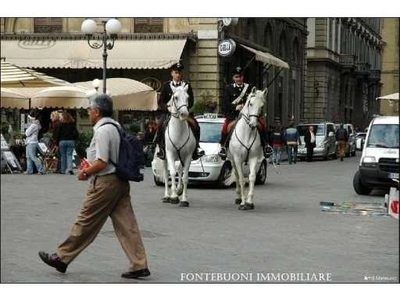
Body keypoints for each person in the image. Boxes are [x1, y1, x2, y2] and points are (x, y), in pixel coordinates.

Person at [38, 94, 150, 279]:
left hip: (105, 182)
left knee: (86, 220)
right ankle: (139, 263)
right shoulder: (115, 126)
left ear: (97, 112)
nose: (88, 112)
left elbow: (102, 161)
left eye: (89, 109)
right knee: (127, 225)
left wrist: (86, 173)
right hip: (120, 181)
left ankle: (61, 257)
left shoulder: (102, 131)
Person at [154, 62, 204, 160]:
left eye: (180, 73)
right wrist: (167, 108)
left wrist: (185, 109)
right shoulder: (166, 85)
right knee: (160, 125)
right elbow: (161, 102)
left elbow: (191, 100)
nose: (178, 75)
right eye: (176, 73)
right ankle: (161, 149)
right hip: (169, 113)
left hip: (184, 112)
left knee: (195, 125)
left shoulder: (187, 85)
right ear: (172, 73)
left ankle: (196, 148)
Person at [219, 66, 269, 159]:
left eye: (240, 77)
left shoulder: (250, 87)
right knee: (226, 127)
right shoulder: (229, 88)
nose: (239, 79)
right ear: (233, 78)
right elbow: (225, 103)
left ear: (243, 77)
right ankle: (224, 147)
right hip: (234, 115)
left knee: (261, 125)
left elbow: (256, 99)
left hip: (249, 115)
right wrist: (235, 107)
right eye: (237, 77)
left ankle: (266, 146)